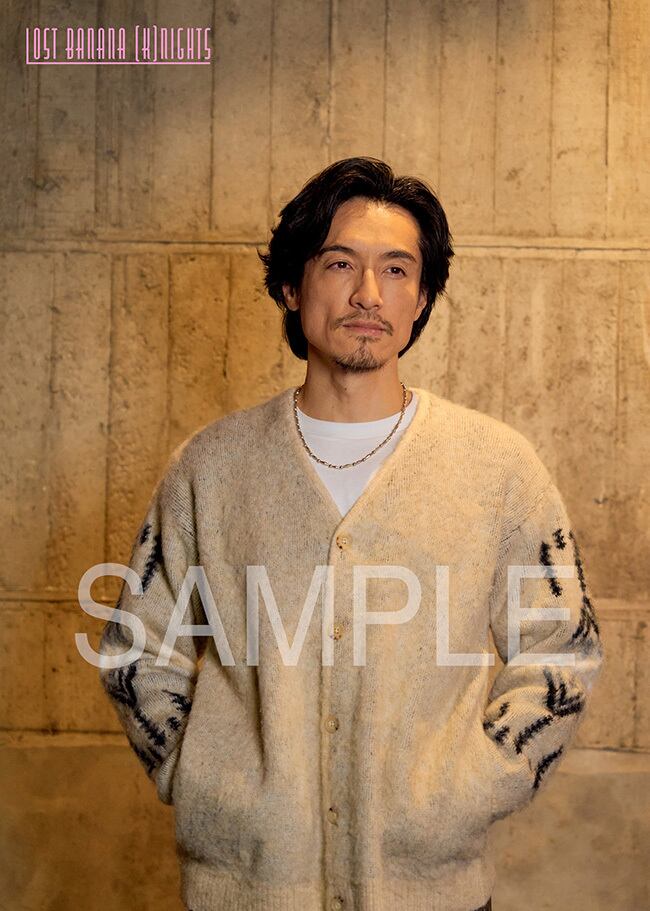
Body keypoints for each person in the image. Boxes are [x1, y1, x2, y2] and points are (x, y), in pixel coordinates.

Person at [97, 157, 604, 911]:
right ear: (291, 286)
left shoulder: (498, 468)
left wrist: (472, 786)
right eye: (340, 263)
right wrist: (201, 775)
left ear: (421, 298)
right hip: (246, 888)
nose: (369, 293)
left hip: (433, 889)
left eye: (397, 269)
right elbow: (138, 647)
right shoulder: (211, 466)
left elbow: (561, 649)